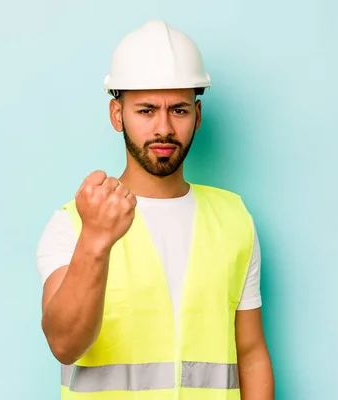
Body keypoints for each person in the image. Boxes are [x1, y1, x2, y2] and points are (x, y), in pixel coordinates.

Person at [36, 20, 274, 399]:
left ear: (197, 116)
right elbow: (64, 344)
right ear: (118, 115)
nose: (163, 128)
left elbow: (251, 354)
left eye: (178, 111)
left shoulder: (234, 220)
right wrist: (96, 239)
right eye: (146, 111)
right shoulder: (72, 223)